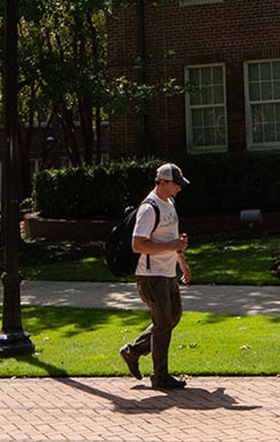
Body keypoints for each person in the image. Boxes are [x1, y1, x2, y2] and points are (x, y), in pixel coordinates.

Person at [119, 162, 192, 390]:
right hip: (151, 276)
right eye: (175, 184)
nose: (178, 189)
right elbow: (137, 244)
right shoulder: (149, 209)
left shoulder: (169, 203)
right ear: (162, 182)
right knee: (163, 324)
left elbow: (172, 237)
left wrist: (182, 261)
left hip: (167, 272)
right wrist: (172, 245)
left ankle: (133, 351)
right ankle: (160, 376)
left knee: (173, 318)